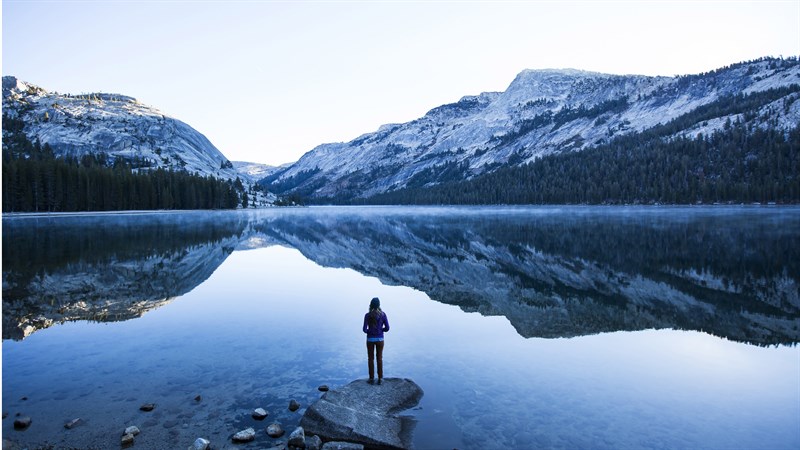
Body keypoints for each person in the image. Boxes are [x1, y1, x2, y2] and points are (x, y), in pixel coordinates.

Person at [363, 297, 390, 385]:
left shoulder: (367, 315)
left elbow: (364, 329)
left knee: (370, 359)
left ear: (370, 305)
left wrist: (370, 331)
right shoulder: (383, 315)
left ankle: (371, 379)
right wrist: (381, 330)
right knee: (379, 358)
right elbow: (387, 328)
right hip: (380, 339)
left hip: (370, 339)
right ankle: (380, 379)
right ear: (379, 305)